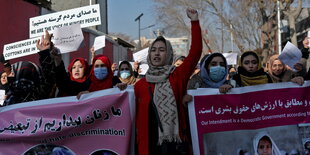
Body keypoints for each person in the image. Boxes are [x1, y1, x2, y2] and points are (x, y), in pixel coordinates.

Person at [134, 8, 202, 155]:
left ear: (169, 53)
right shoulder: (140, 85)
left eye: (161, 50)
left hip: (174, 147)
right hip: (149, 147)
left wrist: (194, 21)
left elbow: (195, 52)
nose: (157, 53)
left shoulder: (177, 76)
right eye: (153, 50)